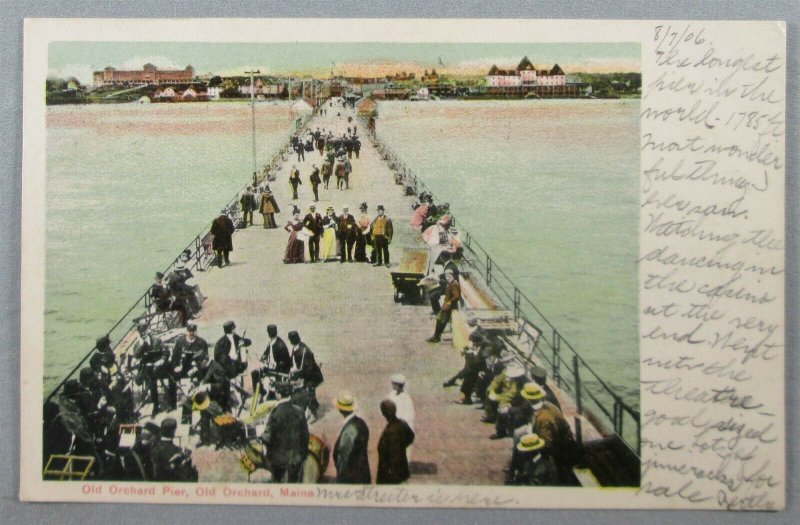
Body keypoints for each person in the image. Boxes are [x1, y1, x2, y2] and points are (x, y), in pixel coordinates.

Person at [262, 382, 309, 483]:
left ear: (278, 394)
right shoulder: (299, 411)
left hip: (279, 459)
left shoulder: (275, 413)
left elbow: (267, 437)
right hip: (296, 458)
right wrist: (302, 454)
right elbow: (305, 436)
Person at [532, 389, 579, 484]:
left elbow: (547, 443)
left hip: (559, 450)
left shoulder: (543, 417)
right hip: (565, 442)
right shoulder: (548, 405)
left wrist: (537, 454)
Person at [332, 392, 370, 484]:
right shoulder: (361, 422)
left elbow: (344, 458)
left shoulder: (350, 429)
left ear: (340, 410)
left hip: (350, 478)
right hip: (362, 473)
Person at [133, 320, 168, 415]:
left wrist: (161, 360)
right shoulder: (138, 344)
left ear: (148, 330)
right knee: (149, 381)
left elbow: (165, 351)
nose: (143, 334)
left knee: (152, 381)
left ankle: (155, 403)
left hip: (159, 366)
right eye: (141, 333)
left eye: (144, 331)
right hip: (147, 369)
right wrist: (141, 344)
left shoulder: (156, 340)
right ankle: (154, 403)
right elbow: (136, 356)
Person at [376, 399, 415, 484]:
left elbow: (392, 455)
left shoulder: (390, 430)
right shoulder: (402, 423)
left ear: (384, 414)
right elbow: (411, 436)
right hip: (402, 468)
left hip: (390, 474)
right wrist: (402, 446)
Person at [288, 331, 323, 420]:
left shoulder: (304, 351)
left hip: (311, 376)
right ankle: (312, 404)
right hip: (304, 374)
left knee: (308, 390)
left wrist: (299, 375)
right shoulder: (296, 348)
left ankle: (314, 414)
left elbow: (308, 369)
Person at [251, 324, 292, 398]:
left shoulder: (280, 346)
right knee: (255, 373)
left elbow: (284, 363)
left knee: (255, 373)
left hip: (279, 370)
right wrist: (264, 356)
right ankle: (261, 393)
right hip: (273, 367)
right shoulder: (272, 341)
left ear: (268, 334)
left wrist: (270, 365)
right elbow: (267, 352)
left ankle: (261, 394)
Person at [213, 321, 251, 395]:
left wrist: (243, 342)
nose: (236, 330)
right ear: (232, 329)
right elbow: (220, 358)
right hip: (227, 366)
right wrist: (232, 360)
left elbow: (249, 342)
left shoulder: (236, 337)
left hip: (237, 365)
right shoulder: (221, 342)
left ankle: (238, 391)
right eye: (234, 328)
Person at [426, 269, 460, 343]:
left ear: (452, 275)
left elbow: (457, 296)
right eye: (446, 276)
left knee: (441, 320)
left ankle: (436, 337)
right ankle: (436, 336)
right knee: (440, 320)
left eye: (448, 276)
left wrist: (449, 302)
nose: (447, 277)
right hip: (447, 306)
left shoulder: (453, 284)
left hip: (449, 307)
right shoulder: (451, 282)